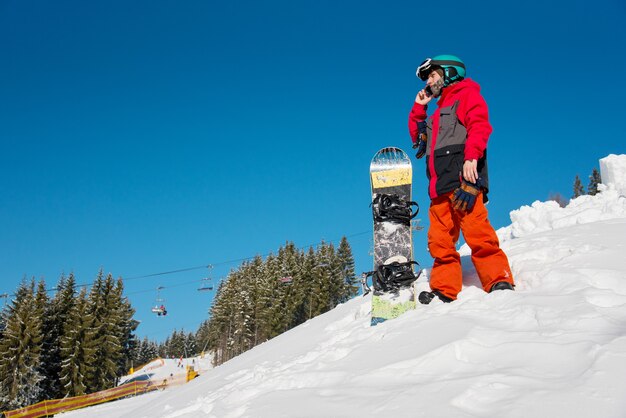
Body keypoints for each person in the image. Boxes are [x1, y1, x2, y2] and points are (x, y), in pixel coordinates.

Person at [408, 54, 515, 304]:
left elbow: (480, 126)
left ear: (449, 72)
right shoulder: (435, 114)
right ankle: (445, 289)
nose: (429, 82)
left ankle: (498, 279)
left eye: (433, 75)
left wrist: (471, 159)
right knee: (440, 241)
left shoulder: (466, 96)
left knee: (478, 233)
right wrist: (419, 107)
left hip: (462, 182)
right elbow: (417, 137)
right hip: (439, 188)